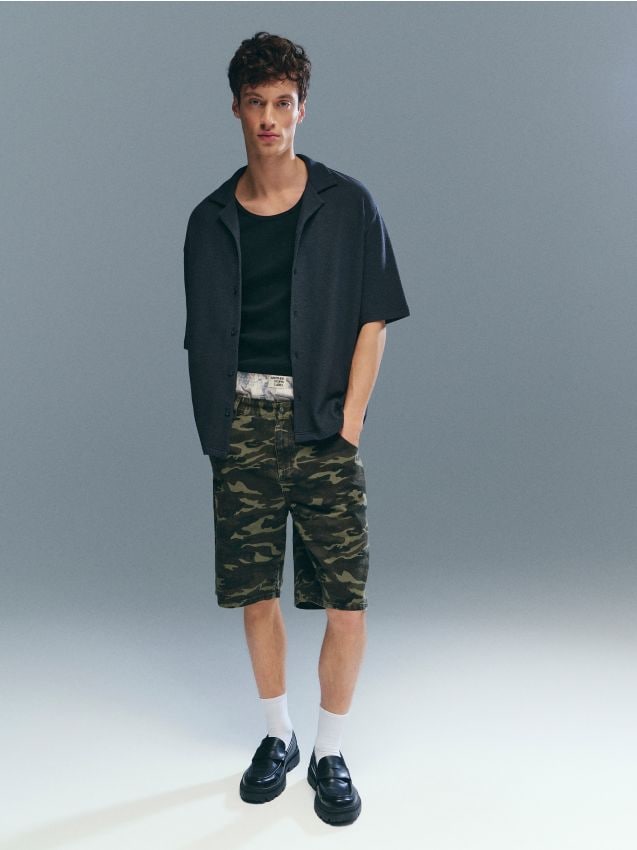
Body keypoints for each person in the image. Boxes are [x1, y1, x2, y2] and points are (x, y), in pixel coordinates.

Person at [182, 31, 410, 826]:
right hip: (241, 424)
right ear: (236, 110)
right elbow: (204, 332)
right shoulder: (209, 219)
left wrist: (349, 422)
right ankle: (277, 736)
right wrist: (216, 426)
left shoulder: (346, 205)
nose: (269, 118)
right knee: (254, 594)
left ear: (301, 109)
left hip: (321, 427)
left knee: (346, 598)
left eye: (283, 103)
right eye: (256, 103)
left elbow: (374, 318)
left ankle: (330, 751)